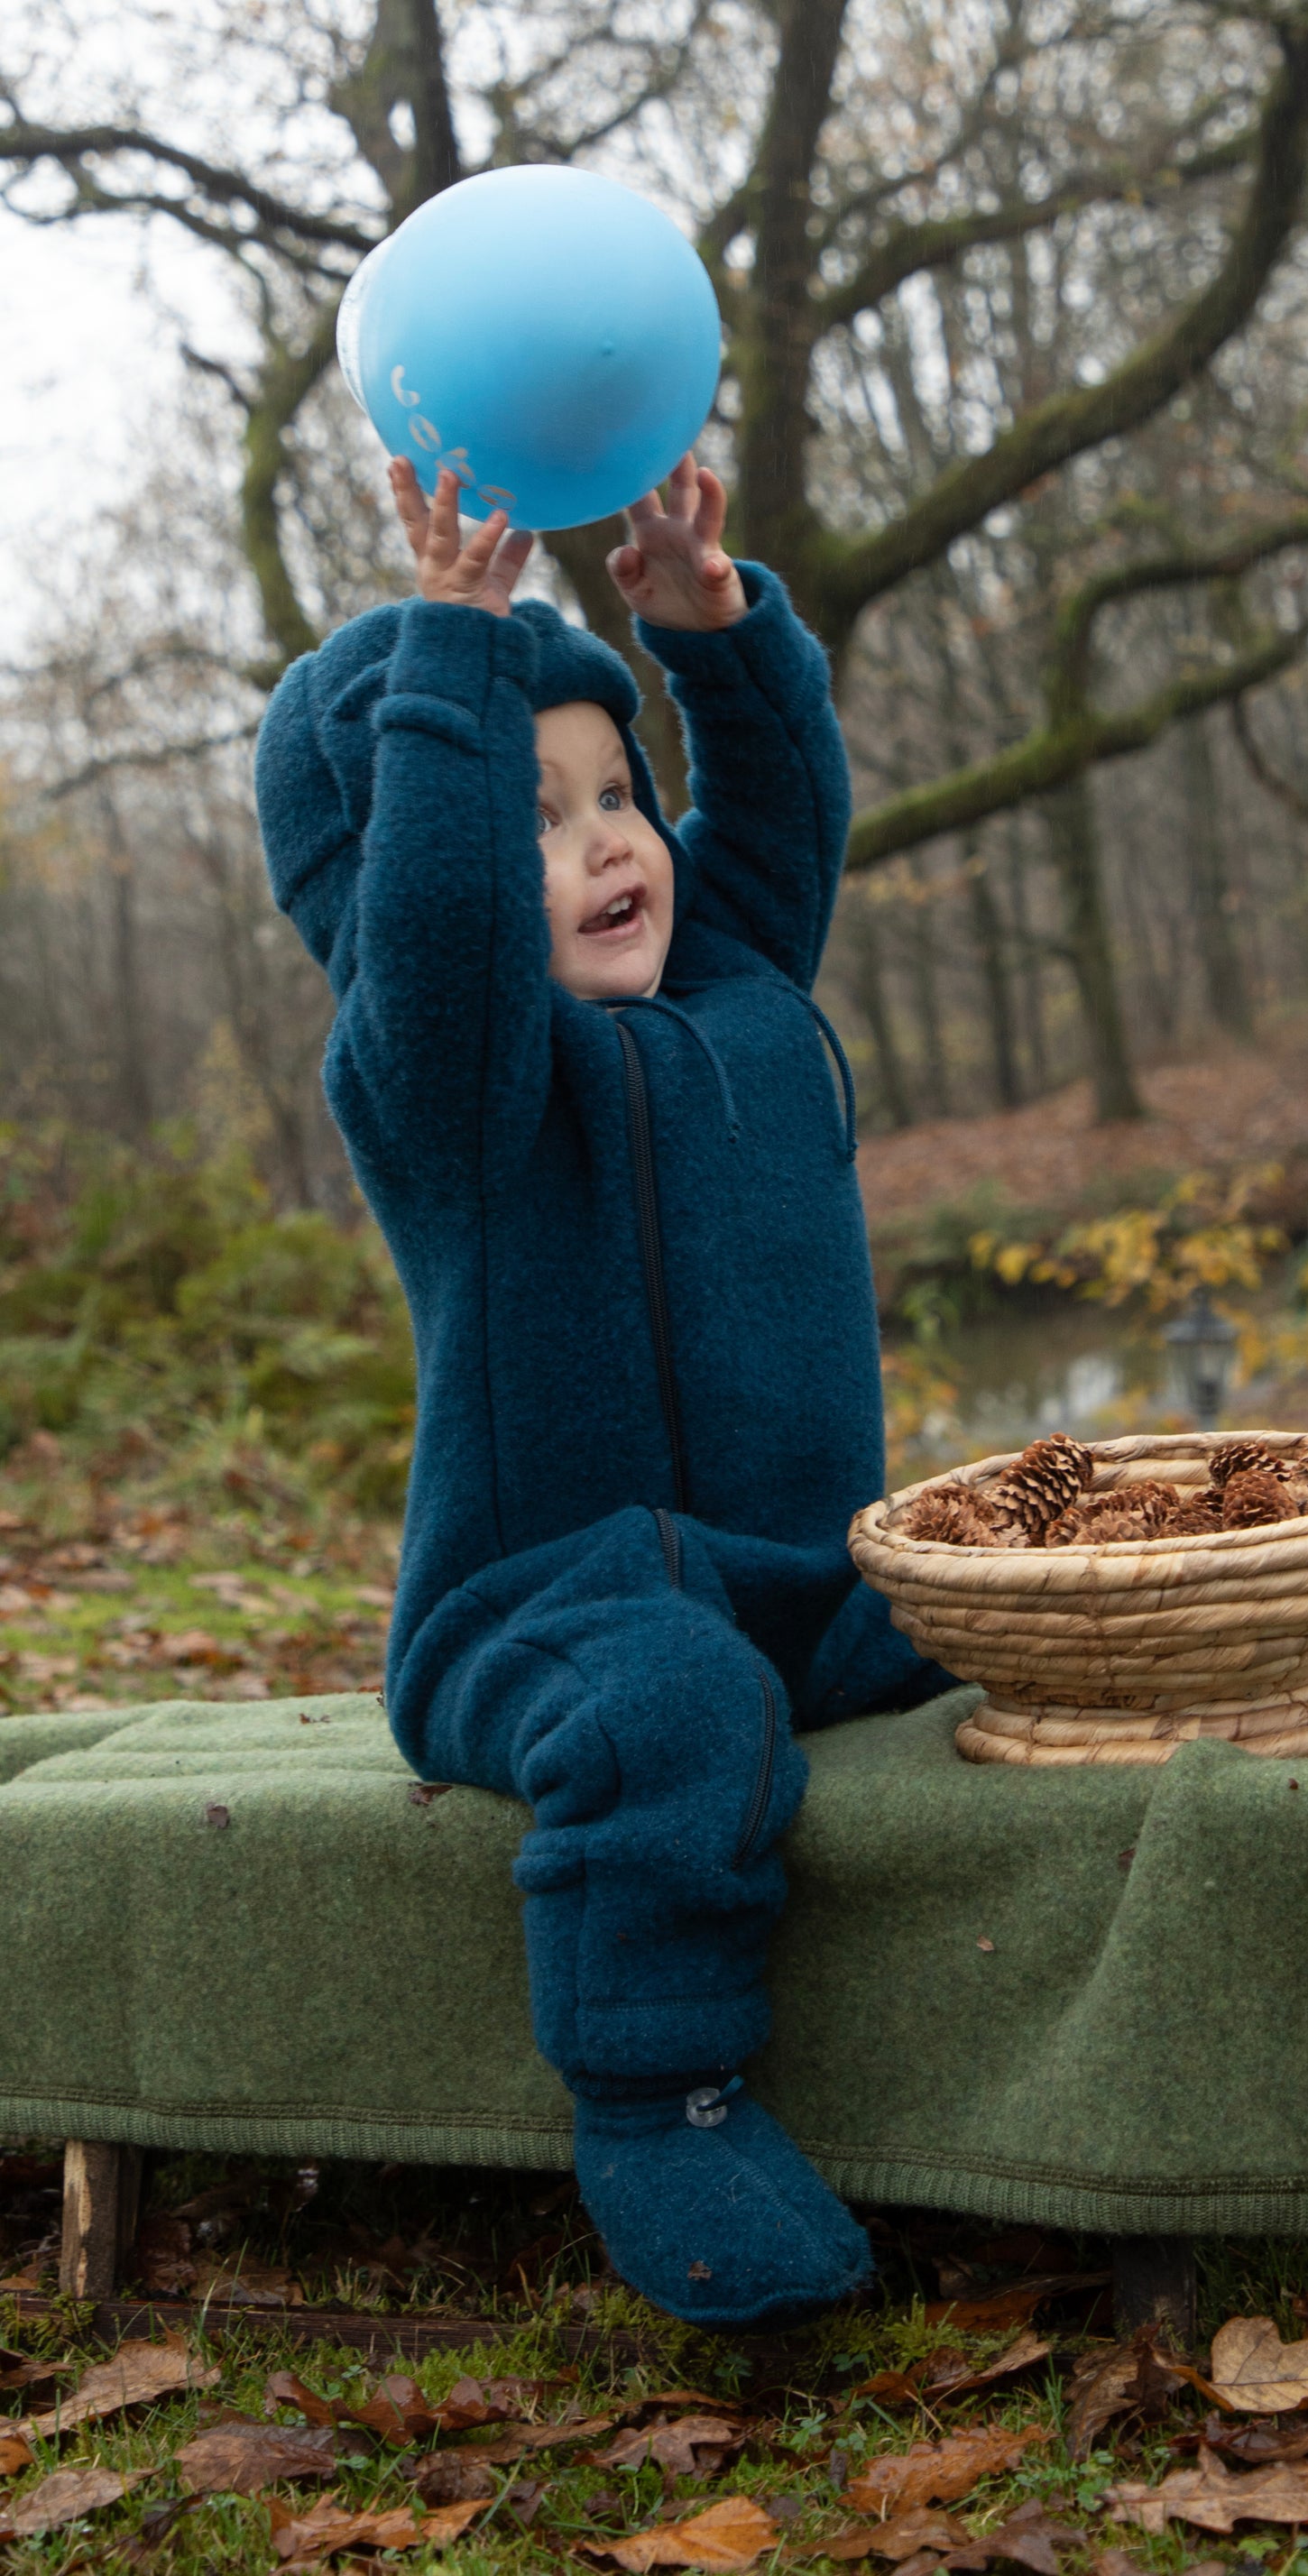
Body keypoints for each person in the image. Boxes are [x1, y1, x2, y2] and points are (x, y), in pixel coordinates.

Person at [254, 454, 948, 2325]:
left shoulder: (729, 981)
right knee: (667, 1714)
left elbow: (782, 812)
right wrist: (456, 658)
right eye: (536, 816)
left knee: (1020, 1585)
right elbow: (444, 941)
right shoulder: (452, 1084)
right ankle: (667, 2105)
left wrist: (705, 626)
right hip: (546, 1610)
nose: (612, 839)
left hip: (804, 1574)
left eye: (616, 790)